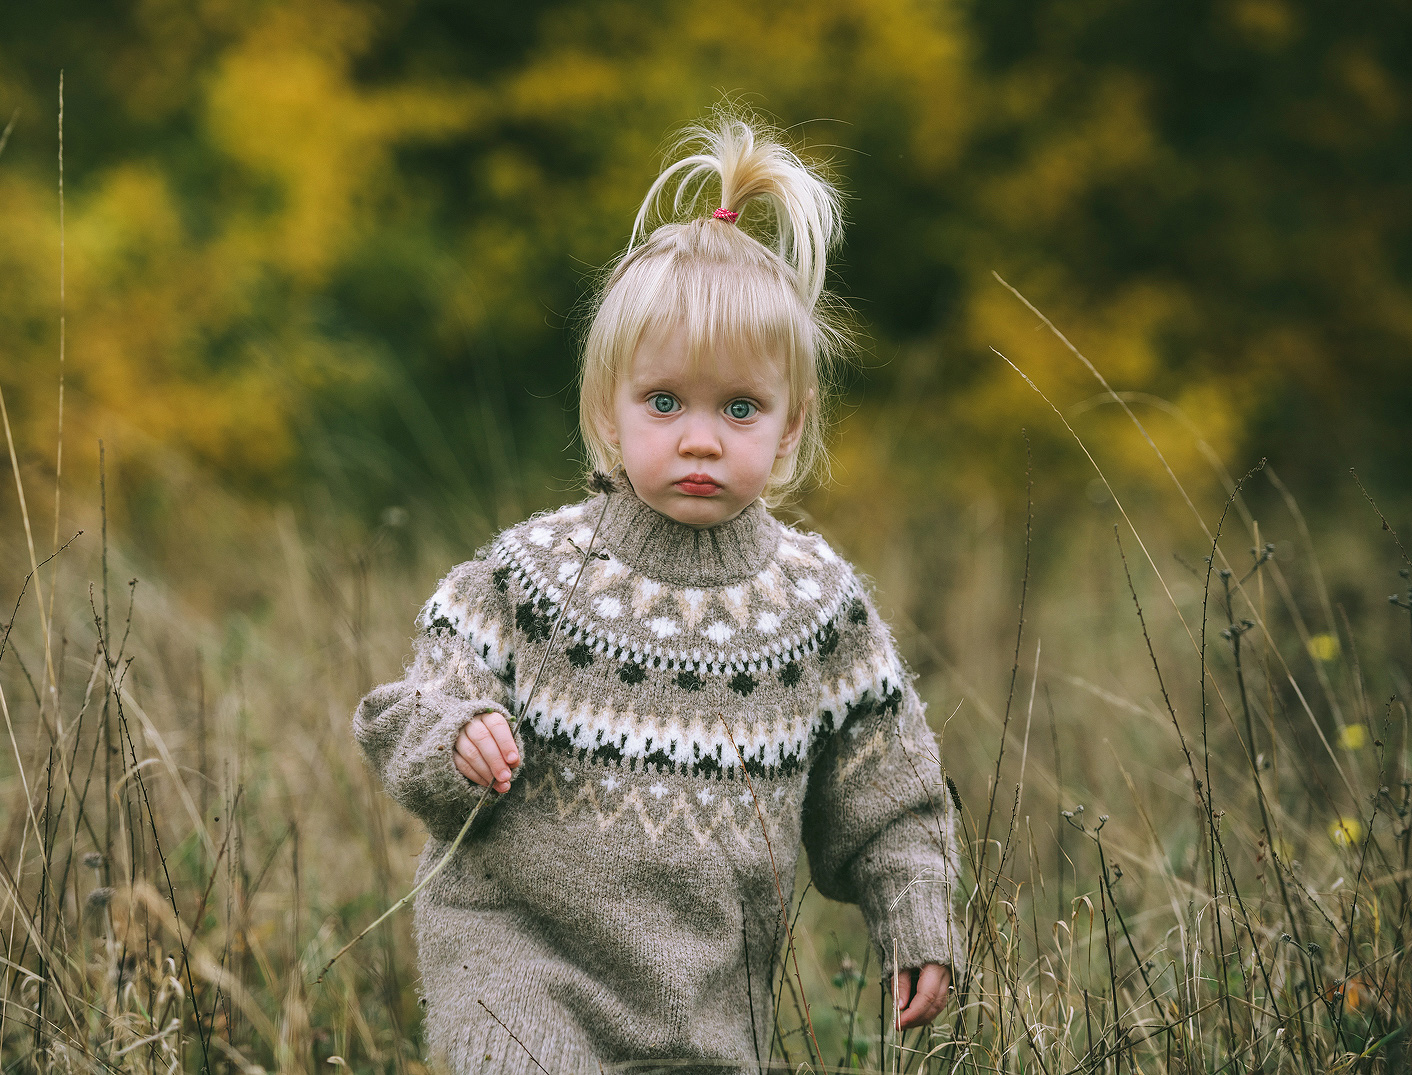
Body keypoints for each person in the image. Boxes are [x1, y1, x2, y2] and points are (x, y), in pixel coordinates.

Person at [355, 110, 959, 1074]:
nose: (701, 438)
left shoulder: (816, 608)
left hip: (705, 1006)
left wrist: (913, 913)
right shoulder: (532, 574)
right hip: (517, 957)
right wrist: (458, 730)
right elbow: (410, 706)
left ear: (792, 427)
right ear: (610, 408)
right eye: (666, 402)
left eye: (741, 408)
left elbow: (889, 793)